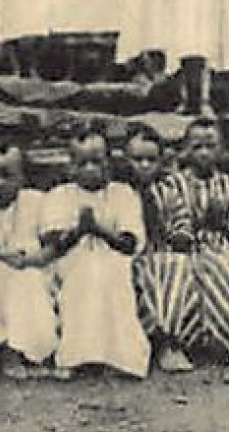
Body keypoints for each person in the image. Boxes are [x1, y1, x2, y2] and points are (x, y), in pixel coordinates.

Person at [133, 119, 229, 381]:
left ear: (221, 149)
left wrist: (223, 223)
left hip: (223, 243)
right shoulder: (173, 185)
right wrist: (192, 230)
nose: (204, 153)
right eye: (197, 146)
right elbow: (175, 227)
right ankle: (176, 342)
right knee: (198, 267)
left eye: (210, 146)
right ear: (185, 150)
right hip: (183, 248)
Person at [40, 127, 152, 379]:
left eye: (96, 162)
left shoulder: (122, 193)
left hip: (115, 259)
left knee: (109, 276)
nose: (90, 169)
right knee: (84, 276)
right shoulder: (60, 195)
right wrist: (80, 231)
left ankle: (121, 357)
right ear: (71, 167)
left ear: (108, 162)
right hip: (72, 262)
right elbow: (54, 242)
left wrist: (99, 230)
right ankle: (76, 356)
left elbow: (129, 242)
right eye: (82, 163)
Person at [0, 142, 60, 379]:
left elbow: (50, 248)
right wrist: (3, 257)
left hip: (32, 266)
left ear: (22, 177)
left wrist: (29, 261)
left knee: (28, 283)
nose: (1, 183)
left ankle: (37, 351)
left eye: (8, 176)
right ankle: (8, 351)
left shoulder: (35, 202)